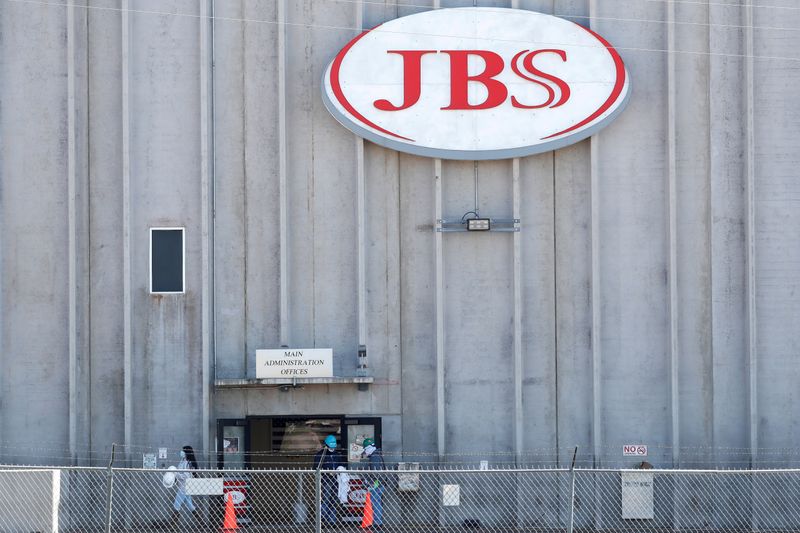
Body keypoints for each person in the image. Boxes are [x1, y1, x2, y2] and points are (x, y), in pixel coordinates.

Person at [313, 435, 345, 525]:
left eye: (333, 447)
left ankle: (332, 520)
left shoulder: (337, 455)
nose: (332, 449)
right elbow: (315, 469)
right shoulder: (320, 455)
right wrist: (326, 472)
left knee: (334, 500)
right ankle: (322, 520)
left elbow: (341, 465)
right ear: (326, 445)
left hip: (336, 480)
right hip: (325, 480)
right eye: (331, 447)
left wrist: (339, 470)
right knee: (325, 499)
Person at [361, 438, 386, 527]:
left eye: (365, 449)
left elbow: (376, 473)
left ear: (368, 448)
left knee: (376, 503)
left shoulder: (374, 457)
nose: (365, 452)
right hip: (379, 483)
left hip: (377, 484)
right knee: (377, 503)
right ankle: (377, 522)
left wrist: (372, 484)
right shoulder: (377, 455)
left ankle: (378, 523)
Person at [172, 445, 199, 524]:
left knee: (176, 505)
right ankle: (202, 523)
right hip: (182, 486)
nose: (182, 452)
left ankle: (172, 525)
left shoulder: (188, 463)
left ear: (187, 452)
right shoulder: (182, 461)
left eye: (183, 451)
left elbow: (186, 476)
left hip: (185, 487)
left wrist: (176, 474)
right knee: (191, 506)